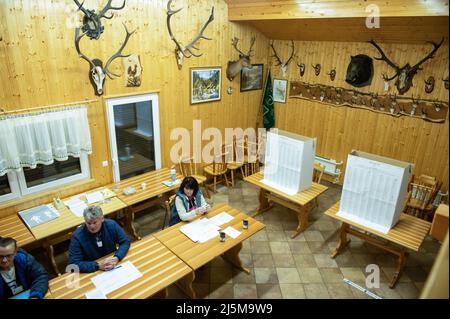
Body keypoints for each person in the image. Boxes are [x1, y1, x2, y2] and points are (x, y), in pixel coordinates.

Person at [68, 206, 131, 273]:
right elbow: (73, 264)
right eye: (88, 223)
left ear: (102, 219)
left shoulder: (112, 225)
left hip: (112, 262)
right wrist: (97, 266)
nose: (92, 227)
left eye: (95, 222)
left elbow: (125, 242)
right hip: (92, 268)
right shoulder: (77, 236)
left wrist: (117, 257)